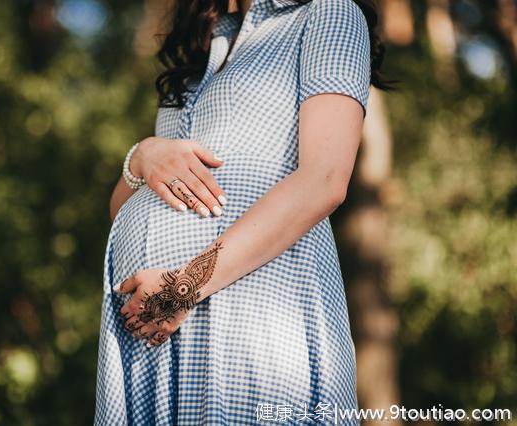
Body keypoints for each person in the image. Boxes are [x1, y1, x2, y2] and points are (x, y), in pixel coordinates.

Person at [94, 0, 392, 424]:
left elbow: (324, 179)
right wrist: (142, 156)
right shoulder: (204, 49)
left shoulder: (329, 12)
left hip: (250, 309)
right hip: (155, 322)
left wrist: (183, 287)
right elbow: (122, 210)